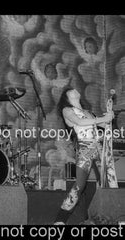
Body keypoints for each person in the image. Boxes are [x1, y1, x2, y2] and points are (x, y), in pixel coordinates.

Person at [54, 87, 118, 225]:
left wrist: (110, 117)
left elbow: (104, 124)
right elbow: (80, 122)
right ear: (67, 96)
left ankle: (114, 217)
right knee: (79, 185)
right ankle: (60, 219)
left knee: (109, 181)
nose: (75, 89)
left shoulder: (88, 112)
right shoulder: (67, 110)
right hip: (86, 149)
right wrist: (102, 118)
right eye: (71, 89)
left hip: (99, 149)